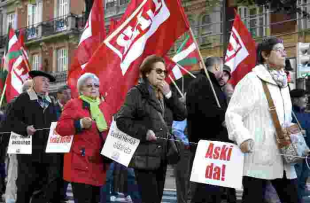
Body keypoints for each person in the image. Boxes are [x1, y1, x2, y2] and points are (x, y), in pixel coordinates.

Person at [225, 37, 299, 203]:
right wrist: (242, 137)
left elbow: (284, 117)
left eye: (284, 49)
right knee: (253, 199)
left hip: (283, 154)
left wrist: (293, 131)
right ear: (265, 55)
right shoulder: (251, 81)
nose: (284, 53)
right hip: (257, 156)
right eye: (279, 50)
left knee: (293, 198)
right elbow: (233, 114)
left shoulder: (283, 83)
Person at [115, 55, 187, 203]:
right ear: (147, 73)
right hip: (144, 157)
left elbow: (181, 114)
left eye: (164, 72)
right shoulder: (136, 93)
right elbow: (121, 120)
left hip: (162, 155)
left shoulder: (165, 93)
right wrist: (143, 132)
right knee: (150, 199)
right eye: (158, 71)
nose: (162, 75)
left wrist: (169, 94)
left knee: (157, 199)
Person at [6, 70, 62, 203]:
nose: (47, 84)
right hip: (28, 154)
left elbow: (56, 123)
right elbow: (10, 121)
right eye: (43, 80)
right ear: (34, 81)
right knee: (25, 187)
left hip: (47, 154)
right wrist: (24, 128)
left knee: (43, 188)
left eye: (48, 82)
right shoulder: (23, 98)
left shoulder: (51, 101)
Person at [56, 73, 112, 203]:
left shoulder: (105, 107)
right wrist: (79, 124)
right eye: (89, 86)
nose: (93, 88)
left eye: (96, 85)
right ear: (81, 89)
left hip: (99, 163)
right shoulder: (73, 104)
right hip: (81, 164)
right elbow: (60, 128)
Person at [186, 57, 230, 203]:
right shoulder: (204, 83)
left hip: (210, 142)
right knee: (207, 189)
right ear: (217, 67)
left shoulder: (208, 83)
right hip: (209, 143)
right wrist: (223, 118)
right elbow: (204, 111)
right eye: (222, 69)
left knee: (210, 189)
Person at [4, 80, 33, 203]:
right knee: (14, 172)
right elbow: (8, 123)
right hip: (18, 143)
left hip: (29, 144)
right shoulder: (15, 103)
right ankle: (11, 199)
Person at [172, 95, 192, 203]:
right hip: (184, 147)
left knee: (186, 177)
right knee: (182, 177)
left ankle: (185, 199)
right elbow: (176, 130)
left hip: (187, 146)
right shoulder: (182, 111)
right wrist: (185, 141)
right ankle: (183, 200)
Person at [291, 89, 310, 200]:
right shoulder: (289, 114)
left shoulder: (307, 114)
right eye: (303, 97)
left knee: (303, 181)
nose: (306, 99)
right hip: (295, 153)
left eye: (306, 97)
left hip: (307, 154)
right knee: (294, 182)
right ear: (294, 100)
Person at [55, 85, 71, 202]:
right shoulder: (52, 108)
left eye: (70, 93)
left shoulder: (71, 108)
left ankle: (62, 195)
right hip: (54, 148)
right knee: (55, 174)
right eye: (66, 93)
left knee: (66, 173)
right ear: (59, 95)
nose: (69, 96)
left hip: (67, 147)